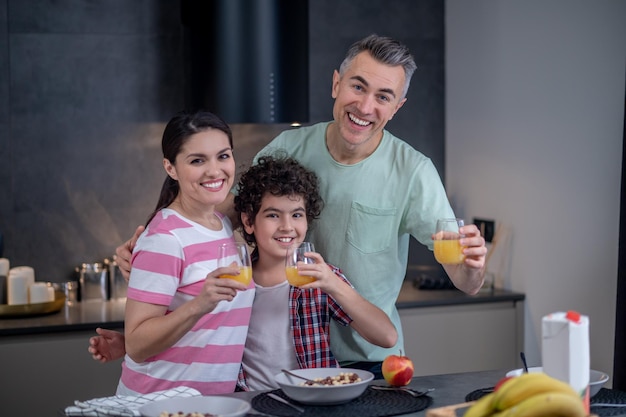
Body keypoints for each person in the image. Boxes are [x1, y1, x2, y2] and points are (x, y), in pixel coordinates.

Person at [115, 34, 487, 376]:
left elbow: (464, 281)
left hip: (367, 358)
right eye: (358, 86)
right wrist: (154, 243)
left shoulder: (414, 171)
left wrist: (473, 265)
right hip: (282, 358)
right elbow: (223, 209)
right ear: (336, 83)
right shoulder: (287, 147)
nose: (365, 105)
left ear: (397, 107)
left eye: (383, 96)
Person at [89, 155, 398, 389]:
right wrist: (130, 343)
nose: (287, 226)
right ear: (248, 222)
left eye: (297, 215)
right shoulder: (234, 279)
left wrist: (334, 285)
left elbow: (385, 336)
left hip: (312, 403)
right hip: (250, 402)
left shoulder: (318, 277)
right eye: (273, 215)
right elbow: (200, 331)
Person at [115, 109, 255, 396]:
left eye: (223, 155)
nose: (214, 170)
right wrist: (199, 304)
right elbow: (138, 345)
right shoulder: (164, 239)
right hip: (156, 404)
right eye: (197, 160)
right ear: (171, 168)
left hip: (209, 405)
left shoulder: (223, 224)